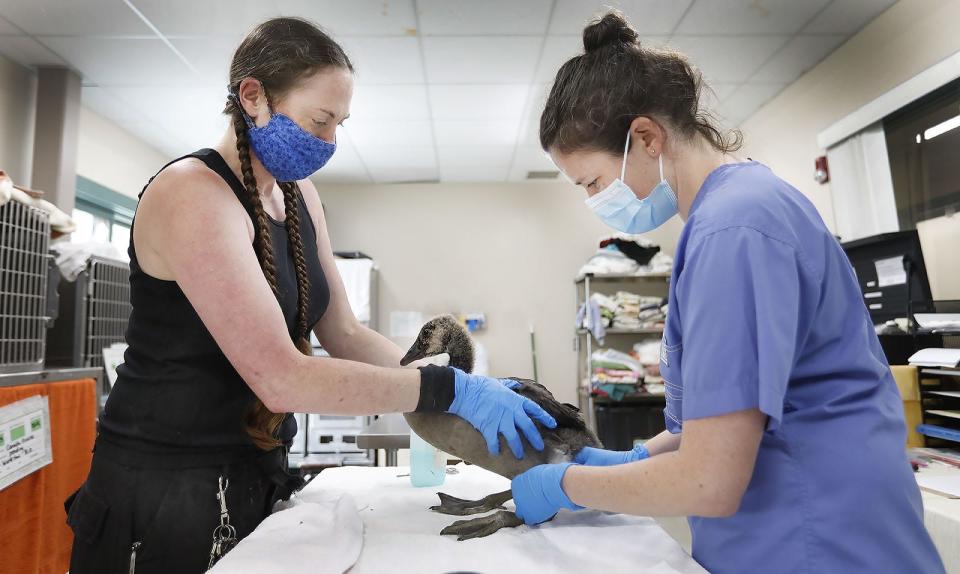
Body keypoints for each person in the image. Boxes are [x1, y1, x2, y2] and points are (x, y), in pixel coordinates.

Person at [64, 18, 554, 574]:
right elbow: (280, 376)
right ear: (254, 97)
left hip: (256, 474)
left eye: (339, 124)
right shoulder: (192, 195)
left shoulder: (298, 198)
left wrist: (465, 381)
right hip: (161, 496)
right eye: (320, 120)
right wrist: (445, 390)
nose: (329, 142)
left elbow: (342, 332)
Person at [509, 11, 945, 574]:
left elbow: (709, 478)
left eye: (592, 182)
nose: (595, 200)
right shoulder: (735, 212)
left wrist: (568, 484)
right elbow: (718, 424)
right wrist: (633, 457)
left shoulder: (734, 232)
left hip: (820, 543)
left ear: (645, 137)